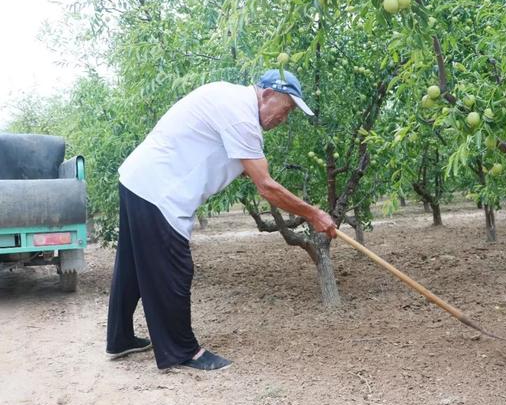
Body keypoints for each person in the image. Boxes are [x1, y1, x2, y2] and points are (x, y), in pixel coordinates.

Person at [106, 69, 337, 371]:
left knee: (133, 267)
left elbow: (244, 164)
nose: (285, 118)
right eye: (286, 108)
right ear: (267, 94)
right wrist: (314, 214)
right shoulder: (241, 116)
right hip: (159, 193)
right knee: (175, 269)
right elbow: (266, 186)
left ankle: (120, 338)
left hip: (139, 181)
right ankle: (181, 352)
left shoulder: (232, 101)